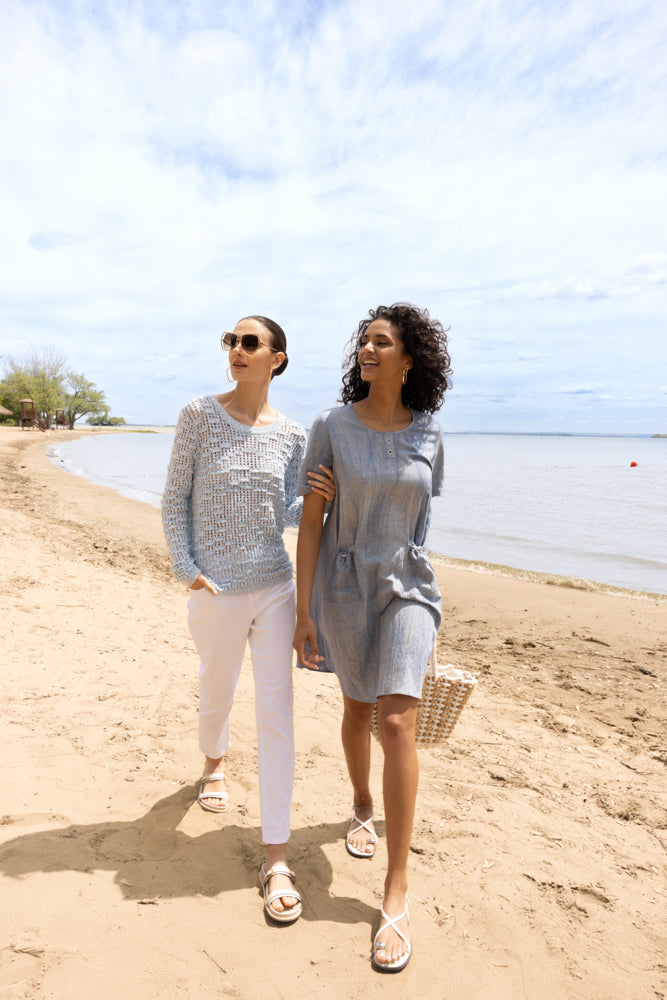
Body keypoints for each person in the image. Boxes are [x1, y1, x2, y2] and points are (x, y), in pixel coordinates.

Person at [161, 315, 335, 925]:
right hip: (215, 588)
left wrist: (317, 494)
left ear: (276, 359)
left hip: (274, 588)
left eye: (249, 342)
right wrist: (187, 568)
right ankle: (213, 763)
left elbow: (285, 510)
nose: (236, 350)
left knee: (277, 712)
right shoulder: (199, 416)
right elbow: (174, 497)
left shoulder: (289, 435)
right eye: (230, 341)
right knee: (217, 690)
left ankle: (277, 856)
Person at [293, 302, 451, 970]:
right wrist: (302, 611)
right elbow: (310, 521)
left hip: (409, 588)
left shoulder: (431, 435)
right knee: (357, 707)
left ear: (409, 358)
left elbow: (419, 522)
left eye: (380, 342)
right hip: (345, 583)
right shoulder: (330, 426)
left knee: (395, 725)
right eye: (363, 341)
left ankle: (395, 887)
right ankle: (361, 802)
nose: (366, 349)